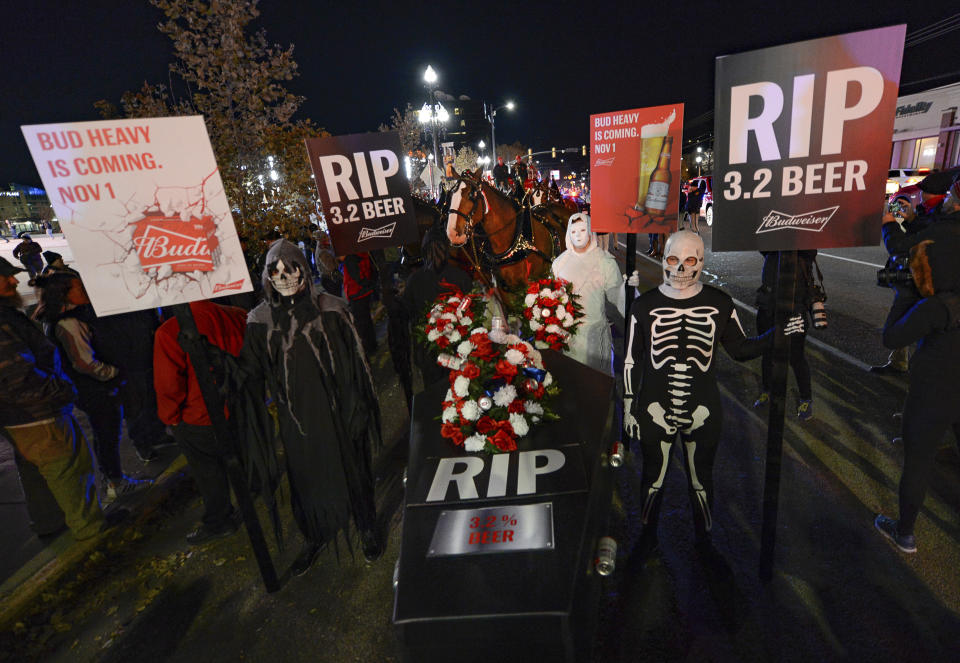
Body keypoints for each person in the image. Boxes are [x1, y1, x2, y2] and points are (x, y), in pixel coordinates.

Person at [623, 231, 801, 553]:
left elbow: (742, 349)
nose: (679, 269)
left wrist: (778, 334)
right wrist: (628, 405)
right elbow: (631, 360)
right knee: (653, 476)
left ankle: (703, 540)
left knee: (701, 477)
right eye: (673, 260)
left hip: (702, 408)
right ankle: (646, 538)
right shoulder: (644, 306)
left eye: (689, 261)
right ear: (663, 261)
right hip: (654, 407)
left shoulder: (718, 303)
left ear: (701, 262)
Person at [241, 239, 383, 575]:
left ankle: (366, 527)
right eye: (276, 272)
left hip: (338, 410)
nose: (285, 277)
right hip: (298, 419)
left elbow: (354, 362)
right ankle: (315, 533)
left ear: (304, 270)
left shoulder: (330, 307)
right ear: (267, 277)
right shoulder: (260, 322)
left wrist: (357, 406)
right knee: (306, 477)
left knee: (353, 470)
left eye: (291, 269)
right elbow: (252, 371)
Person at [0, 257, 114, 540]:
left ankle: (51, 523)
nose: (14, 281)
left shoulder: (7, 315)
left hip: (22, 413)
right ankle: (92, 531)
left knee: (41, 472)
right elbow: (17, 375)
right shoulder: (2, 321)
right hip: (37, 413)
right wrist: (60, 392)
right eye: (5, 278)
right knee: (68, 469)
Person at [875, 237, 960, 554]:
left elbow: (892, 337)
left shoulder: (938, 307)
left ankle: (905, 533)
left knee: (919, 462)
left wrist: (904, 296)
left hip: (934, 394)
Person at [36, 272, 145, 502]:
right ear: (64, 294)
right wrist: (114, 373)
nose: (85, 290)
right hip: (95, 389)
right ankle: (115, 483)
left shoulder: (57, 318)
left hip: (87, 390)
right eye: (79, 288)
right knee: (107, 433)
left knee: (104, 433)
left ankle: (112, 479)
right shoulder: (69, 322)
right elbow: (85, 363)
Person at [154, 299, 247, 545]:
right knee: (242, 455)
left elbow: (168, 386)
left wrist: (170, 419)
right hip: (239, 407)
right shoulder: (237, 315)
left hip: (198, 417)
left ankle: (220, 521)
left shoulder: (169, 332)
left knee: (208, 472)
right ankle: (253, 495)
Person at [872, 170, 957, 374]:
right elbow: (922, 232)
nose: (919, 195)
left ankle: (912, 373)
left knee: (901, 331)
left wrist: (888, 225)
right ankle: (899, 362)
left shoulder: (945, 219)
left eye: (923, 191)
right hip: (922, 282)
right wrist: (911, 219)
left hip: (926, 285)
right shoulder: (932, 211)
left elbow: (904, 245)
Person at [552, 212, 636, 374]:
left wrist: (627, 290)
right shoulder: (559, 263)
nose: (578, 236)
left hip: (595, 336)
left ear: (590, 231)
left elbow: (616, 297)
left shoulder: (605, 261)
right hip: (566, 337)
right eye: (574, 231)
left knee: (596, 385)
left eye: (582, 230)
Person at [402, 223, 473, 389]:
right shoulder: (460, 276)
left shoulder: (414, 281)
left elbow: (407, 311)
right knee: (460, 387)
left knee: (435, 392)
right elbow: (470, 304)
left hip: (429, 352)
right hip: (457, 348)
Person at [753, 250, 817, 420]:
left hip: (795, 306)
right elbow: (762, 246)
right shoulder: (773, 241)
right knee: (767, 351)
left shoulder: (804, 244)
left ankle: (806, 398)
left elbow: (811, 252)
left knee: (796, 356)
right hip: (769, 304)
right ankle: (767, 390)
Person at [340, 251, 379, 357]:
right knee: (367, 319)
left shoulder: (350, 257)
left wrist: (366, 284)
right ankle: (373, 344)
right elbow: (373, 270)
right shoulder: (364, 253)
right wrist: (370, 285)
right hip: (365, 292)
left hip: (356, 293)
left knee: (361, 324)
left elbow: (356, 277)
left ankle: (368, 348)